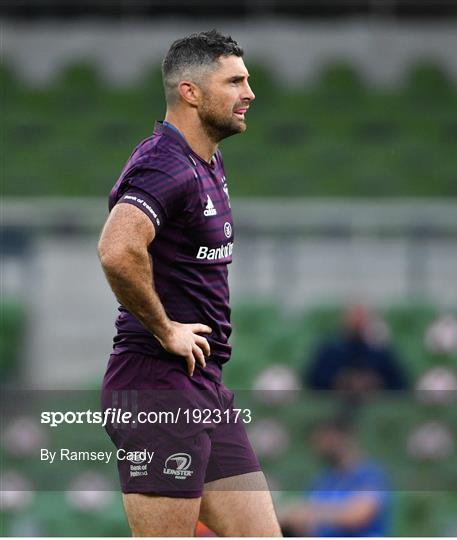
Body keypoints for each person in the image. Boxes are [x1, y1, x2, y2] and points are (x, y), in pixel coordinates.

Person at [97, 30, 281, 537]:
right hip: (156, 384)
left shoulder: (207, 162)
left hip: (203, 384)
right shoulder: (165, 163)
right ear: (191, 92)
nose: (249, 92)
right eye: (235, 81)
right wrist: (165, 329)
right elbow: (117, 249)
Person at [279, 418, 391, 537]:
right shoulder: (323, 479)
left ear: (344, 437)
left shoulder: (369, 475)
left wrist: (310, 512)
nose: (320, 446)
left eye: (326, 439)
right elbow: (303, 521)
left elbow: (358, 515)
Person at [303, 305, 408, 393]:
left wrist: (376, 382)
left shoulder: (380, 351)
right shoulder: (328, 349)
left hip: (376, 406)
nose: (357, 322)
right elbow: (313, 380)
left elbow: (400, 383)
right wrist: (339, 381)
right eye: (354, 316)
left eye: (362, 317)